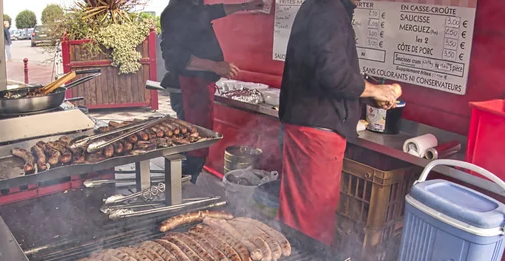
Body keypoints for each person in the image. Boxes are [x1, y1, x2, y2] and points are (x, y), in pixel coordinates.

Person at [278, 0, 401, 245]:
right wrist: (374, 90)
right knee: (310, 220)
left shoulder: (323, 7)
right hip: (317, 133)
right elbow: (333, 73)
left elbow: (327, 71)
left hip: (311, 126)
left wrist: (368, 95)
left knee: (303, 214)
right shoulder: (328, 9)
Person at [160, 0, 263, 183]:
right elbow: (174, 58)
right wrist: (215, 66)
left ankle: (185, 183)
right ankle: (181, 189)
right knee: (193, 142)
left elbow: (213, 11)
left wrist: (244, 6)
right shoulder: (176, 11)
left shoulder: (192, 7)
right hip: (188, 87)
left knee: (197, 140)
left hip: (199, 85)